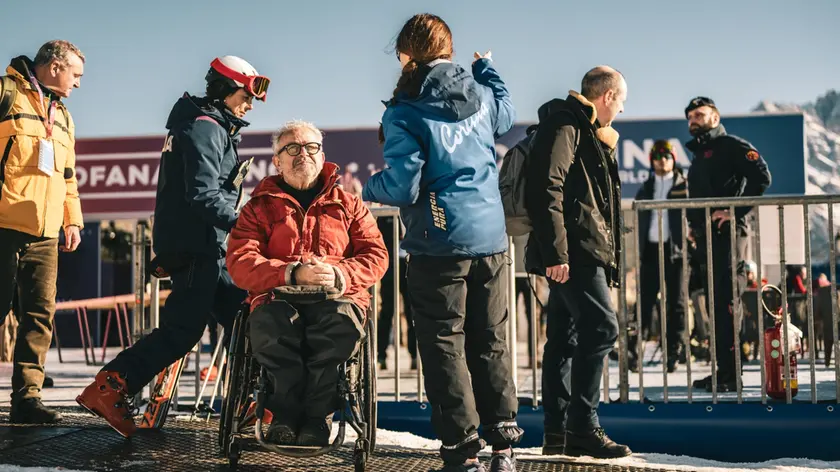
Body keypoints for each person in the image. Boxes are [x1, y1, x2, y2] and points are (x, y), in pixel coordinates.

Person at [77, 56, 270, 437]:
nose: (250, 106)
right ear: (228, 89)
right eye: (247, 96)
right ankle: (109, 386)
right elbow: (203, 195)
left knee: (244, 319)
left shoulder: (206, 125)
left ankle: (253, 400)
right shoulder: (205, 128)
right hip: (197, 246)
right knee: (183, 330)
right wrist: (250, 224)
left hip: (208, 247)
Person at [362, 13, 523, 472]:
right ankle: (503, 446)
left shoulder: (403, 110)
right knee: (489, 341)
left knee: (443, 344)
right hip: (490, 238)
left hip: (438, 242)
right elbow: (506, 114)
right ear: (449, 52)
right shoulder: (481, 94)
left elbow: (403, 187)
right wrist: (487, 69)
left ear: (405, 54)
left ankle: (461, 447)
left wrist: (367, 189)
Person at [227, 120, 388, 446]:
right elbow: (240, 261)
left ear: (322, 153)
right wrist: (290, 273)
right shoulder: (258, 207)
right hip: (277, 297)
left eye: (311, 147)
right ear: (277, 160)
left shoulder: (349, 203)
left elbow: (376, 254)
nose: (304, 154)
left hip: (336, 297)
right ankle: (284, 417)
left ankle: (317, 419)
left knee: (336, 328)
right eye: (292, 148)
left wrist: (341, 275)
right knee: (272, 327)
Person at [523, 66, 631, 458]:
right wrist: (556, 253)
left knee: (565, 339)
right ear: (607, 97)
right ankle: (582, 427)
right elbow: (545, 188)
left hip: (581, 251)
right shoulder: (565, 125)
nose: (621, 109)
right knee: (602, 327)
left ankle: (558, 432)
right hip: (574, 254)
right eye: (621, 101)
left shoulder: (589, 133)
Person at [0, 40, 85, 424]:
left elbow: (68, 177)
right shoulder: (5, 93)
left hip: (46, 232)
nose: (78, 84)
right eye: (76, 74)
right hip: (3, 225)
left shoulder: (64, 116)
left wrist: (72, 220)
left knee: (39, 316)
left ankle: (27, 400)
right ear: (54, 66)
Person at [683, 96, 771, 392]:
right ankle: (723, 372)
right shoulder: (699, 154)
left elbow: (762, 177)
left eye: (699, 114)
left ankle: (732, 375)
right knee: (716, 306)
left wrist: (733, 210)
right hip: (708, 241)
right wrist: (695, 227)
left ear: (715, 118)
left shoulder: (732, 145)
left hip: (731, 237)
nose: (693, 119)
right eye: (690, 116)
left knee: (728, 304)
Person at [631, 140, 689, 373]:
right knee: (644, 302)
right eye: (657, 156)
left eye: (666, 156)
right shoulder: (645, 188)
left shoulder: (684, 186)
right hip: (651, 250)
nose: (662, 160)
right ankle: (635, 352)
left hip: (675, 250)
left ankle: (674, 351)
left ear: (674, 159)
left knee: (676, 303)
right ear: (651, 160)